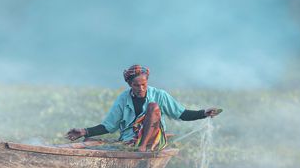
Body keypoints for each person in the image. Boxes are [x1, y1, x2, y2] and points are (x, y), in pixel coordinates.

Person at [65, 65, 221, 152]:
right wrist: (84, 131)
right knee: (88, 141)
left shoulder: (159, 95)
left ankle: (142, 148)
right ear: (129, 84)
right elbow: (109, 126)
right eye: (136, 85)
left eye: (143, 84)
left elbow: (182, 114)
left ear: (147, 82)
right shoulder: (123, 99)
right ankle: (137, 147)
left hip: (152, 140)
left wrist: (203, 113)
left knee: (153, 107)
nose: (140, 88)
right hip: (129, 139)